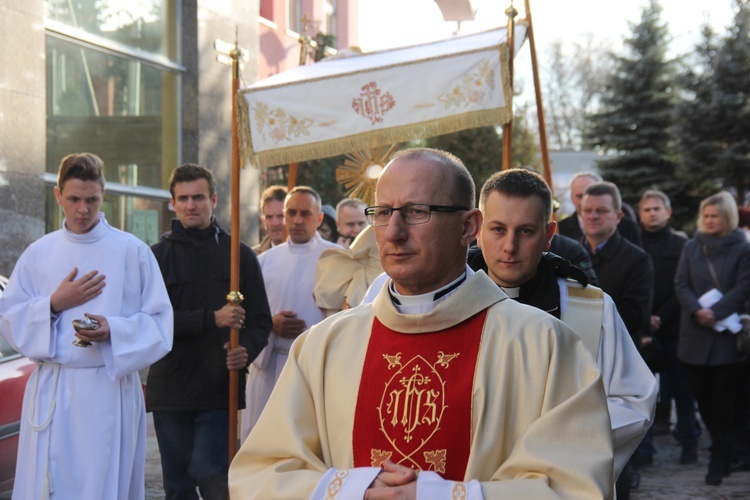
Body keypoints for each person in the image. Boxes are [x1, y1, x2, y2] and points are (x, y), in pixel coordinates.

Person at [229, 148, 615, 498]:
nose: (394, 232)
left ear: (469, 227)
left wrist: (444, 496)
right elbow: (260, 474)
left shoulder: (543, 344)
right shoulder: (324, 346)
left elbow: (575, 486)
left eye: (416, 212)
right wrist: (352, 489)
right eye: (382, 213)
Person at [0, 153, 173, 499]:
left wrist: (113, 330)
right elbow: (9, 317)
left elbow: (159, 324)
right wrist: (53, 304)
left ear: (103, 195)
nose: (83, 210)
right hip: (53, 385)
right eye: (74, 199)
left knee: (101, 484)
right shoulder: (38, 253)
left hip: (107, 390)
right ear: (58, 196)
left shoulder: (132, 252)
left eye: (91, 200)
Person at [471, 168, 656, 479]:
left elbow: (633, 401)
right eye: (498, 229)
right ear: (477, 228)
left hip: (555, 479)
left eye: (526, 231)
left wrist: (555, 445)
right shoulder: (446, 301)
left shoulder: (590, 308)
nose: (510, 247)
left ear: (548, 235)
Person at [148, 164, 272, 499]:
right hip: (171, 388)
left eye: (199, 197)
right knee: (177, 484)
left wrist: (246, 349)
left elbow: (261, 320)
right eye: (183, 198)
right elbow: (148, 322)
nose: (192, 205)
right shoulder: (155, 259)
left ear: (214, 199)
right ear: (172, 203)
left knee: (212, 474)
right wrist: (209, 319)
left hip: (221, 386)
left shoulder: (239, 256)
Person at [241, 186, 340, 441]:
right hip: (270, 361)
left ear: (319, 218)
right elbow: (244, 316)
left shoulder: (337, 259)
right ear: (284, 216)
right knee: (262, 441)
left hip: (314, 368)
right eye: (291, 213)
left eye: (305, 214)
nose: (297, 220)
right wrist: (270, 324)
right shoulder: (263, 262)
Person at [580, 180, 654, 497]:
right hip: (575, 367)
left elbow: (635, 314)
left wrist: (591, 319)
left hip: (613, 371)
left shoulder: (637, 259)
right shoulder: (566, 253)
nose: (593, 217)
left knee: (611, 464)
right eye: (587, 211)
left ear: (618, 216)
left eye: (601, 211)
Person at [675, 191, 750, 485]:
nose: (708, 221)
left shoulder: (742, 249)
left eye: (714, 216)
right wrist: (698, 311)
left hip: (726, 337)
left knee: (724, 401)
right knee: (703, 398)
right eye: (705, 216)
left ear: (727, 217)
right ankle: (726, 447)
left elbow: (744, 287)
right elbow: (681, 284)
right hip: (695, 334)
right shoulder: (692, 247)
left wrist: (716, 311)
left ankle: (719, 456)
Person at [638, 190, 699, 465]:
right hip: (643, 328)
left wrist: (660, 316)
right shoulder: (634, 243)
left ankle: (689, 444)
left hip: (675, 328)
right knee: (643, 392)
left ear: (668, 212)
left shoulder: (681, 244)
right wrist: (646, 317)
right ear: (640, 213)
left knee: (683, 390)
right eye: (647, 209)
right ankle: (644, 451)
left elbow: (685, 284)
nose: (652, 213)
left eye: (657, 209)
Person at [558, 171, 642, 247]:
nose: (585, 201)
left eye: (591, 195)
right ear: (571, 198)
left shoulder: (626, 227)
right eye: (580, 196)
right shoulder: (559, 230)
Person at [253, 185, 287, 255]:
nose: (275, 223)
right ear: (263, 221)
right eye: (269, 217)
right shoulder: (252, 257)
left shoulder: (309, 254)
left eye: (281, 216)